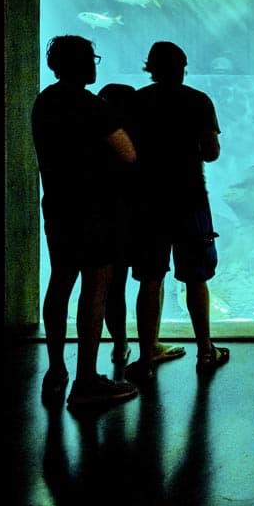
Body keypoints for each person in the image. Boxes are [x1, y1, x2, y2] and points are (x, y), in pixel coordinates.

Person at [32, 35, 139, 408]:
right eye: (92, 58)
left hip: (58, 206)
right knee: (96, 286)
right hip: (94, 209)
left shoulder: (44, 102)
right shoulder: (93, 106)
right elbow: (127, 154)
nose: (95, 64)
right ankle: (87, 380)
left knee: (60, 282)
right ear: (81, 63)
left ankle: (56, 368)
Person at [126, 41, 229, 381]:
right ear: (183, 67)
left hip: (147, 201)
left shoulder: (137, 101)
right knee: (196, 277)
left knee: (150, 278)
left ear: (150, 68)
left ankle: (146, 355)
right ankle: (205, 351)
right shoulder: (198, 101)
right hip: (190, 199)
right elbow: (211, 152)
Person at [97, 83, 187, 372]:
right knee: (150, 281)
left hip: (112, 219)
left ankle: (120, 343)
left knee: (114, 286)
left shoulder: (101, 139)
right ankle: (148, 351)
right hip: (151, 216)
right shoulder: (148, 135)